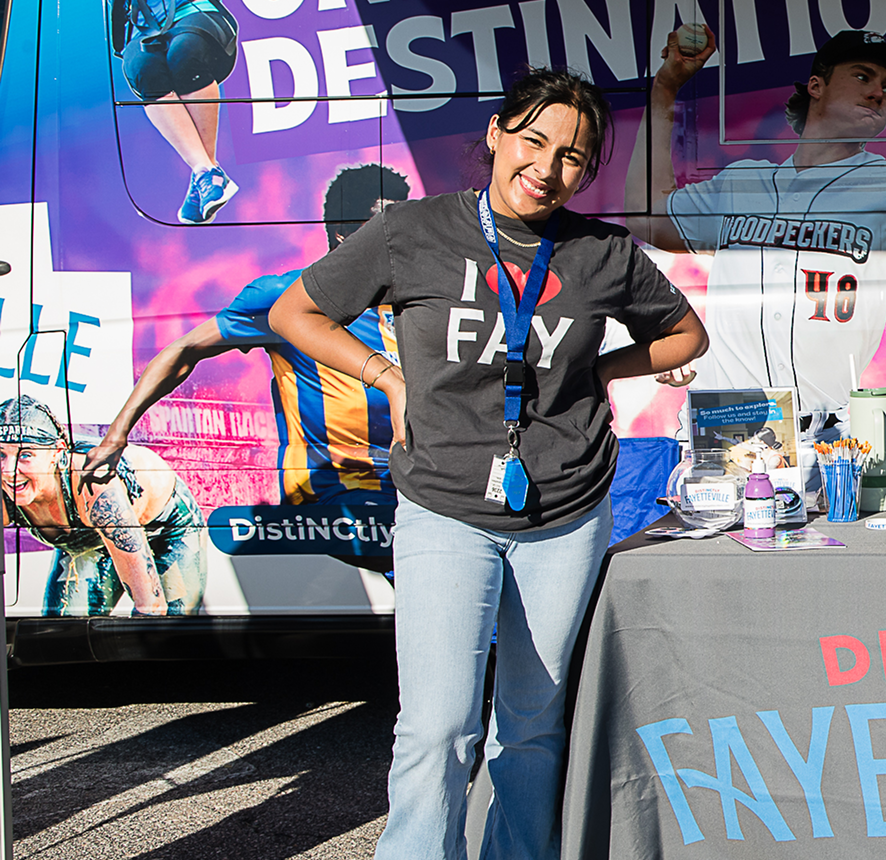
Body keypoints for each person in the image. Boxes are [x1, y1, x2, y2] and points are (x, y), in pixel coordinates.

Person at [268, 68, 708, 859]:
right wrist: (386, 377)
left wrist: (602, 373)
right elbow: (293, 312)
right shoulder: (412, 231)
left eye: (573, 156)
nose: (549, 166)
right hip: (443, 505)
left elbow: (687, 336)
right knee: (437, 727)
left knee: (532, 726)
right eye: (534, 140)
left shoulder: (600, 251)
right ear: (498, 135)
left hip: (566, 511)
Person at [632, 26, 886, 419]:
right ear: (816, 86)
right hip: (723, 433)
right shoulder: (741, 184)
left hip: (830, 445)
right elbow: (647, 217)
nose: (879, 92)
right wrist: (664, 91)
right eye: (863, 75)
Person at [85, 164, 411, 513]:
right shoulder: (285, 297)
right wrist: (117, 435)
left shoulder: (414, 301)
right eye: (384, 229)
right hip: (336, 498)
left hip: (412, 491)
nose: (401, 240)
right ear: (345, 236)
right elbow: (184, 350)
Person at [0, 396, 207, 616]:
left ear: (57, 452)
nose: (8, 470)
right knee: (61, 634)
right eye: (0, 454)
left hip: (166, 528)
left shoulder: (95, 487)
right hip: (94, 537)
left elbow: (151, 606)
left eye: (25, 455)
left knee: (170, 628)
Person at [111, 0, 241, 223]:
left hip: (196, 11)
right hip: (142, 27)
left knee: (185, 53)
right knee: (143, 69)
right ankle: (207, 172)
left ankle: (204, 173)